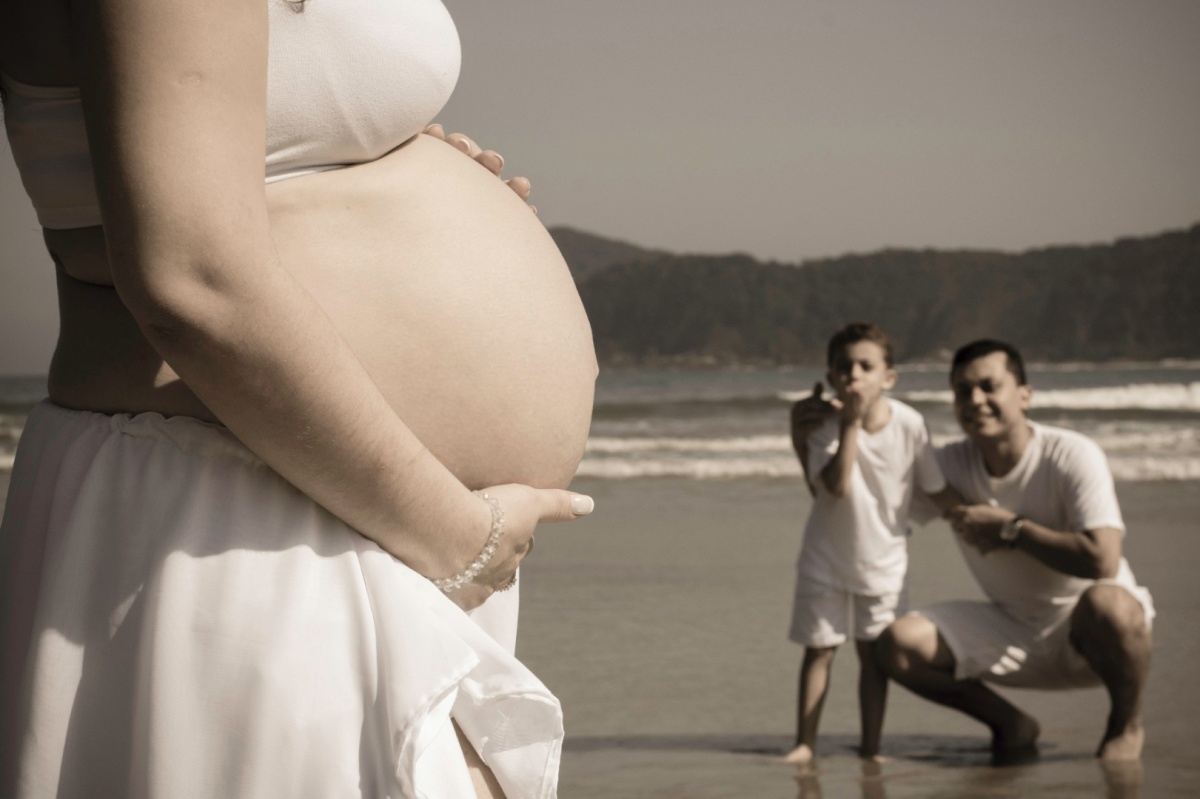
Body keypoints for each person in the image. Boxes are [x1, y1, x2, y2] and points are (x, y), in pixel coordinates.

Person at [0, 0, 598, 796]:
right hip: (248, 509)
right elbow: (192, 279)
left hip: (330, 496)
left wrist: (395, 175)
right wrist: (456, 538)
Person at [876, 340, 1154, 762]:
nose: (975, 401)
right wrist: (819, 439)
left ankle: (1125, 726)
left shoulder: (1071, 454)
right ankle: (1011, 723)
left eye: (990, 387)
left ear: (1025, 394)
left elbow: (1103, 560)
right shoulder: (949, 465)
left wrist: (1012, 529)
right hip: (1010, 629)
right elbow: (872, 500)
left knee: (1113, 604)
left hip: (1089, 634)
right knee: (898, 643)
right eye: (962, 391)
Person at [785, 322, 959, 763]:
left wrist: (979, 515)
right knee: (820, 651)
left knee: (873, 658)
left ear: (889, 377)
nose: (854, 376)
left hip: (884, 561)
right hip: (825, 557)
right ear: (830, 376)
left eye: (866, 366)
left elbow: (935, 488)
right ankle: (805, 743)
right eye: (844, 367)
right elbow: (837, 486)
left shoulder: (910, 424)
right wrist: (850, 425)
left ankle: (871, 746)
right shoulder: (823, 426)